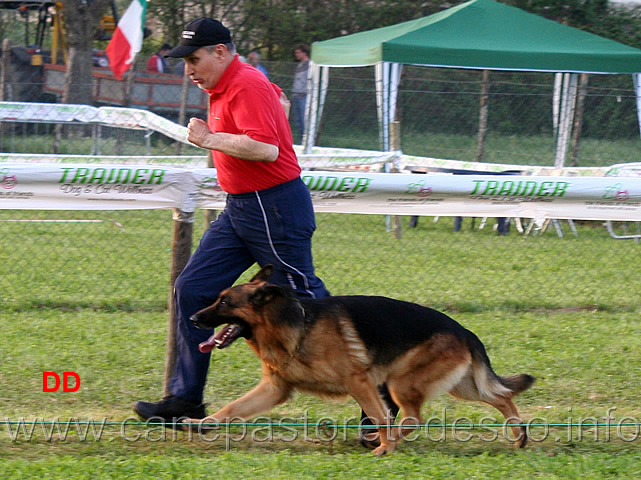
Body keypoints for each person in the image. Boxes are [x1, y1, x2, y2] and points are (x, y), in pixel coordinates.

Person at [134, 16, 330, 429]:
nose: (188, 69)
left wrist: (208, 139)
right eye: (185, 60)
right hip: (242, 207)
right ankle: (184, 400)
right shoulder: (229, 83)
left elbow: (265, 150)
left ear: (220, 52)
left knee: (307, 302)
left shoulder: (245, 82)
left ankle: (378, 399)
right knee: (192, 288)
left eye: (194, 58)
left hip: (273, 206)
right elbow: (281, 102)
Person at [291, 44, 310, 144]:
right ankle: (300, 140)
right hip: (296, 95)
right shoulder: (299, 65)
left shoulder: (310, 65)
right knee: (298, 120)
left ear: (304, 53)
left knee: (304, 120)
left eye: (298, 52)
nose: (296, 55)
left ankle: (305, 141)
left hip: (304, 96)